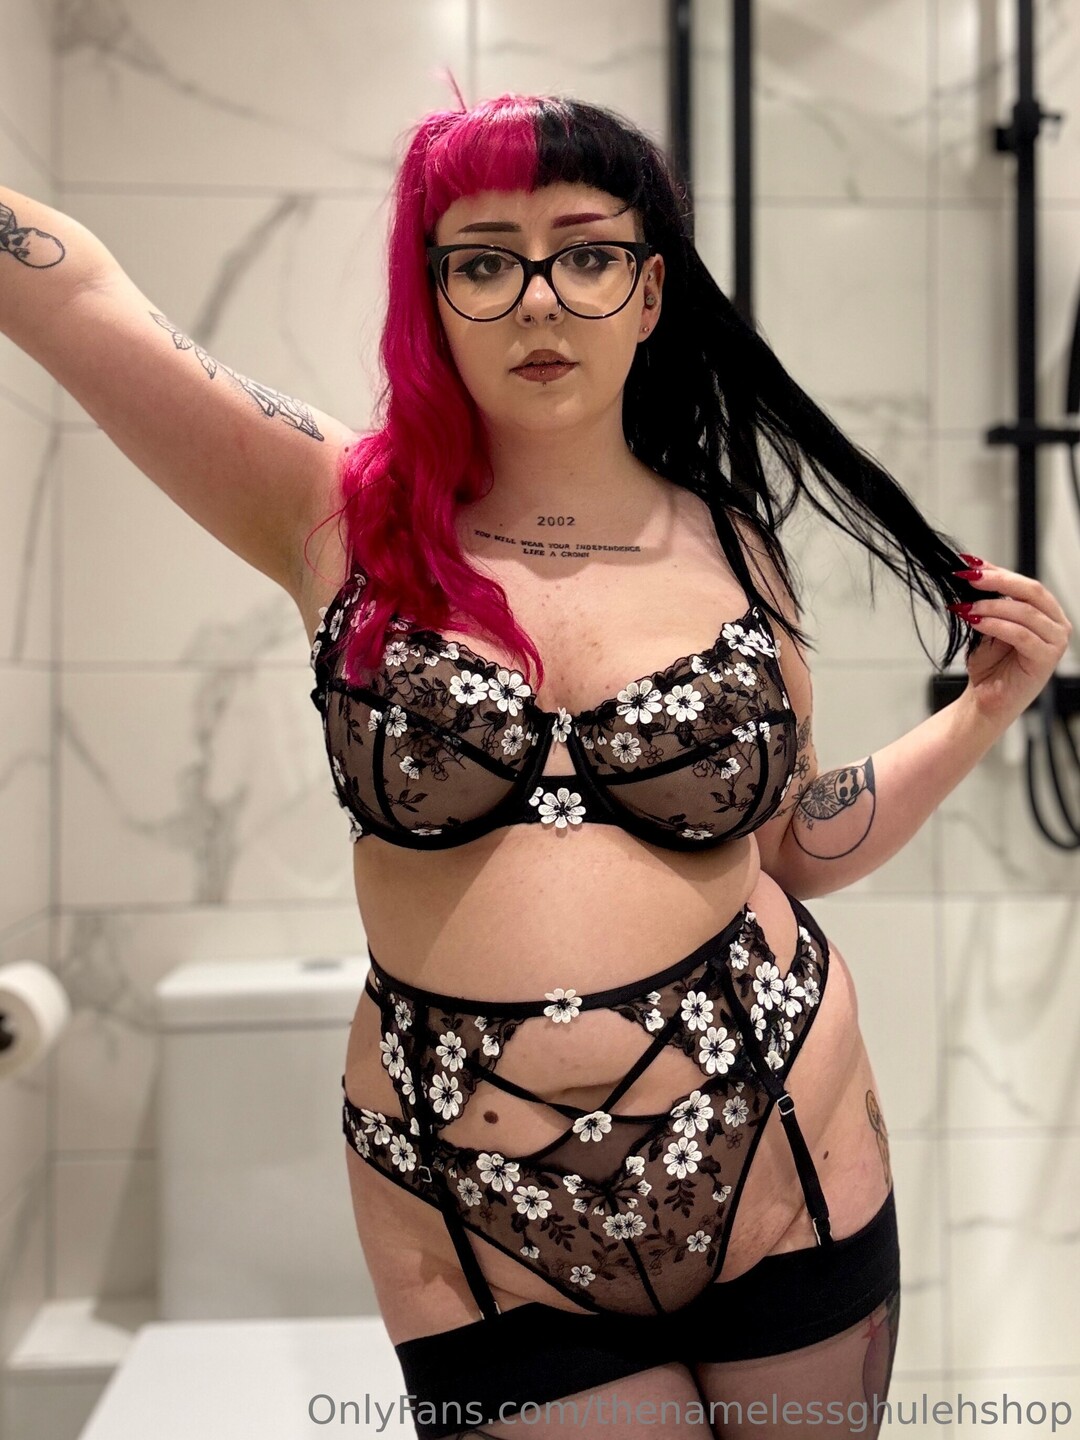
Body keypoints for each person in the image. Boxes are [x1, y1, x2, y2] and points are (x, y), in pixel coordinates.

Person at [0, 91, 1070, 1439]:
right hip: (469, 1208)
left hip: (779, 1138)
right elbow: (72, 294)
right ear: (435, 297)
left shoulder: (739, 550)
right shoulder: (338, 510)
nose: (539, 300)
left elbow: (792, 844)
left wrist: (980, 715)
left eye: (588, 253)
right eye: (485, 263)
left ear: (649, 291)